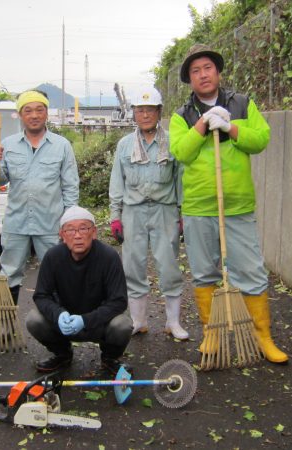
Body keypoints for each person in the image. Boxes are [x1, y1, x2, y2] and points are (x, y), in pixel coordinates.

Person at [169, 44, 288, 364]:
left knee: (250, 270)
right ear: (190, 80)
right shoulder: (181, 116)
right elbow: (181, 152)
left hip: (237, 205)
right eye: (195, 71)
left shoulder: (243, 104)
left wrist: (231, 127)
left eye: (207, 67)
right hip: (198, 206)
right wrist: (203, 125)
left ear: (218, 72)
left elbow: (260, 139)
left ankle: (263, 335)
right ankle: (212, 331)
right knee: (205, 272)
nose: (203, 74)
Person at [108, 86, 188, 340]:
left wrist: (183, 213)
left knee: (169, 265)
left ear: (159, 112)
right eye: (140, 110)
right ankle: (138, 320)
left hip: (165, 210)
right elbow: (116, 182)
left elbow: (180, 180)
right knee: (133, 265)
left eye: (150, 110)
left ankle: (173, 322)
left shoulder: (173, 142)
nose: (145, 115)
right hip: (133, 211)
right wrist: (115, 216)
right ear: (133, 113)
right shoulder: (125, 145)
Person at [0, 90, 80, 304]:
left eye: (40, 110)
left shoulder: (61, 145)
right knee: (10, 273)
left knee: (58, 272)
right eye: (28, 110)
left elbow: (70, 186)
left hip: (51, 222)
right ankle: (6, 327)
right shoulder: (7, 145)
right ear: (20, 115)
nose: (34, 115)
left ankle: (58, 324)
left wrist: (69, 222)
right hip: (16, 222)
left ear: (47, 113)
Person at [26, 206, 132, 375]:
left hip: (98, 323)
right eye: (70, 230)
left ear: (94, 232)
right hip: (64, 323)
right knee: (33, 319)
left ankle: (110, 358)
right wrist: (59, 314)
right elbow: (41, 295)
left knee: (122, 324)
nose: (77, 235)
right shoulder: (53, 257)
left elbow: (118, 301)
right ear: (62, 235)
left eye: (83, 228)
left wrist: (85, 320)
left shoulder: (109, 257)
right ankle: (62, 354)